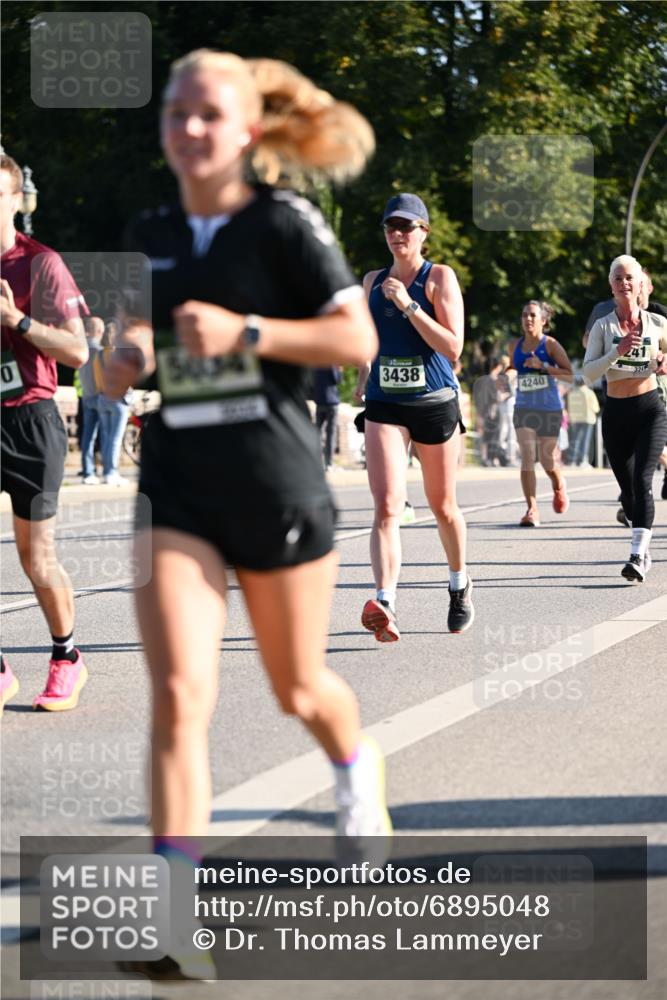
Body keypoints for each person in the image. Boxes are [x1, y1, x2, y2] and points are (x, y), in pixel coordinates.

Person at [102, 49, 387, 979]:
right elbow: (115, 360)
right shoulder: (148, 227)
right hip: (178, 485)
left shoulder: (283, 224)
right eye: (174, 113)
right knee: (181, 695)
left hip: (274, 481)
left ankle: (353, 768)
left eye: (207, 116)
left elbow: (355, 338)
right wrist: (125, 356)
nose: (187, 130)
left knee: (297, 688)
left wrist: (246, 335)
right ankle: (173, 915)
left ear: (248, 130)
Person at [354, 192, 473, 638]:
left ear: (424, 233)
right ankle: (385, 603)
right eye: (391, 227)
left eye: (407, 227)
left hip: (434, 401)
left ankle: (459, 584)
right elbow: (369, 335)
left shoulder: (438, 278)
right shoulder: (371, 280)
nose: (398, 234)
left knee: (443, 507)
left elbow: (454, 347)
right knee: (386, 506)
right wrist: (365, 371)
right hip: (385, 403)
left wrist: (408, 304)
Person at [0, 153, 89, 712]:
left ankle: (67, 657)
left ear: (13, 200)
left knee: (37, 560)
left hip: (30, 420)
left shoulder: (41, 264)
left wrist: (18, 323)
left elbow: (78, 350)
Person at [583, 254, 667, 581]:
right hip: (616, 412)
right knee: (628, 492)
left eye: (630, 277)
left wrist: (663, 361)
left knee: (643, 481)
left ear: (641, 284)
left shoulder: (658, 324)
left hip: (649, 408)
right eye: (618, 278)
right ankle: (642, 547)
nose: (625, 283)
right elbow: (589, 373)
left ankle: (636, 555)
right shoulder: (603, 326)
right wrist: (616, 352)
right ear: (611, 286)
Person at [509, 300, 573, 527]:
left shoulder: (551, 345)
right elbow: (512, 367)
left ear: (543, 321)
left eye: (533, 315)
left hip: (549, 409)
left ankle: (558, 485)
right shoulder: (514, 346)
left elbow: (569, 374)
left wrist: (543, 366)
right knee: (527, 456)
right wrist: (506, 376)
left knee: (547, 460)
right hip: (524, 407)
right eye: (524, 314)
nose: (528, 319)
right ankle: (532, 509)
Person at [97, 319, 131, 485]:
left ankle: (106, 471)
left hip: (102, 397)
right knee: (116, 438)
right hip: (118, 398)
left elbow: (97, 377)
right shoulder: (119, 353)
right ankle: (112, 472)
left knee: (106, 436)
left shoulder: (100, 353)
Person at [78, 315, 105, 483]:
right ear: (100, 331)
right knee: (108, 436)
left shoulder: (80, 349)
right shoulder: (100, 351)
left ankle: (88, 471)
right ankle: (109, 471)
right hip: (101, 396)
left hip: (85, 396)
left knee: (87, 436)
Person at [566, 376, 600, 467]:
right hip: (588, 418)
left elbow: (569, 406)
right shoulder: (589, 393)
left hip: (576, 419)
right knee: (585, 440)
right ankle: (582, 461)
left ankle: (572, 460)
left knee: (575, 440)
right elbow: (596, 408)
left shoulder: (572, 392)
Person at [313, 365, 341, 470]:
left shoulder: (315, 363)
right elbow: (337, 379)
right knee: (330, 434)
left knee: (317, 433)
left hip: (319, 401)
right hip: (331, 402)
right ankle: (328, 463)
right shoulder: (331, 362)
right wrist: (340, 370)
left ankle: (317, 461)